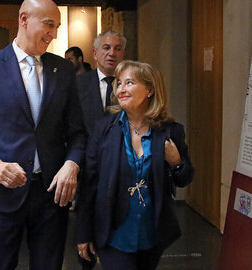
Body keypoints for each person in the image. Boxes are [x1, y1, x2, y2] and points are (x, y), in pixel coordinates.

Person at [0, 0, 87, 269]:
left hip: (51, 194)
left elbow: (77, 132)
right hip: (1, 194)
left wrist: (71, 164)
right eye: (49, 25)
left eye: (57, 27)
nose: (53, 34)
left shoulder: (62, 70)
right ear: (24, 19)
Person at [76, 60, 194, 270]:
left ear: (150, 90)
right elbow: (89, 185)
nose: (121, 89)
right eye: (119, 83)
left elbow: (184, 178)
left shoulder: (170, 131)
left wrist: (176, 161)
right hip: (112, 232)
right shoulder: (103, 130)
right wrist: (83, 233)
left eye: (129, 83)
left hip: (151, 234)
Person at [77, 31, 126, 134]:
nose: (112, 53)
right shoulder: (78, 84)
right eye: (106, 48)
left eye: (117, 49)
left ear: (123, 54)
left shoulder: (131, 85)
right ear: (95, 54)